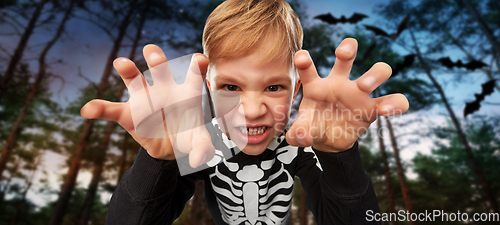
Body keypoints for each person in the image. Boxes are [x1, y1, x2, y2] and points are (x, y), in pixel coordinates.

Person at [80, 0, 409, 224]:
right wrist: (159, 160)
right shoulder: (203, 144)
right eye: (231, 87)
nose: (252, 111)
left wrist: (339, 155)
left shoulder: (302, 144)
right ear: (208, 87)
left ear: (296, 90)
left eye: (274, 87)